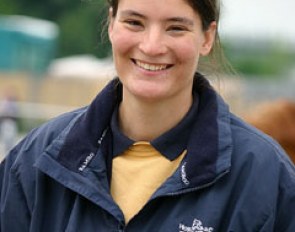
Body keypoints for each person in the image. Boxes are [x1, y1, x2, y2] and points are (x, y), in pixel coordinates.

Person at [0, 0, 294, 231]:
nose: (152, 46)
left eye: (176, 28)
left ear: (207, 37)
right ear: (111, 23)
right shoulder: (34, 160)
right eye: (134, 22)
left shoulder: (266, 178)